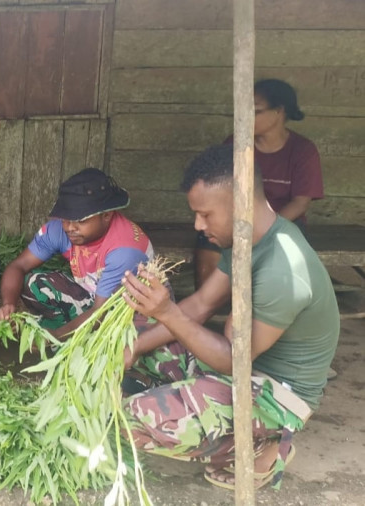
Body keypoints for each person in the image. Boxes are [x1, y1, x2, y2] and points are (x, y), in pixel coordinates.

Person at [121, 145, 339, 490]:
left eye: (205, 214)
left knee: (129, 421)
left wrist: (166, 311)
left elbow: (231, 360)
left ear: (241, 204)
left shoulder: (283, 271)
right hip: (238, 363)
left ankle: (261, 443)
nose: (198, 224)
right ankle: (192, 404)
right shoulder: (245, 240)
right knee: (136, 333)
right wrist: (131, 347)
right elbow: (200, 306)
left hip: (272, 394)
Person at [196, 78, 324, 287]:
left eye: (255, 111)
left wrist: (263, 229)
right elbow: (219, 194)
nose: (246, 117)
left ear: (279, 111)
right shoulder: (233, 144)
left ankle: (264, 312)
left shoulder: (303, 150)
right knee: (207, 238)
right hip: (237, 221)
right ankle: (210, 308)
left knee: (276, 265)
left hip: (284, 222)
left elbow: (300, 203)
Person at [0, 168, 154, 338]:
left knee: (115, 336)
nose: (70, 227)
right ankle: (64, 334)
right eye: (66, 219)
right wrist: (8, 304)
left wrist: (54, 337)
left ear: (107, 215)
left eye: (81, 220)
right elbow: (18, 266)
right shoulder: (59, 230)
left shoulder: (124, 251)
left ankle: (65, 339)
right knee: (34, 283)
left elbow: (100, 314)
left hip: (122, 311)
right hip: (92, 295)